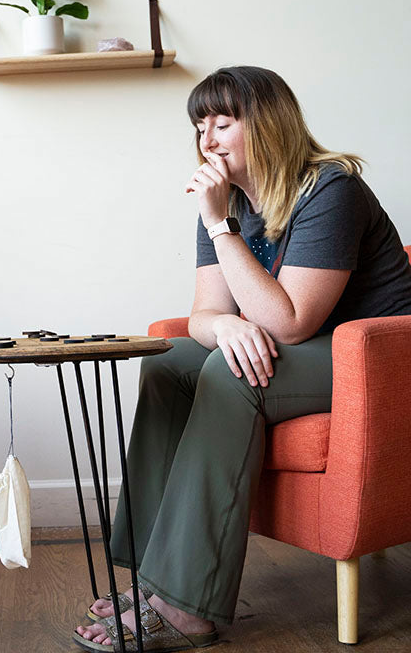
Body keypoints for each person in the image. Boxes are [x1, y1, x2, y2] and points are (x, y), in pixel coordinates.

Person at [73, 65, 411, 652]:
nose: (207, 138)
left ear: (270, 124)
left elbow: (291, 321)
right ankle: (153, 575)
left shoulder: (330, 189)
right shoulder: (224, 201)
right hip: (307, 352)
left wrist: (218, 225)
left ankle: (186, 604)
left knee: (231, 372)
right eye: (199, 124)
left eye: (224, 121)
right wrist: (224, 322)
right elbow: (203, 314)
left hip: (374, 361)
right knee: (165, 361)